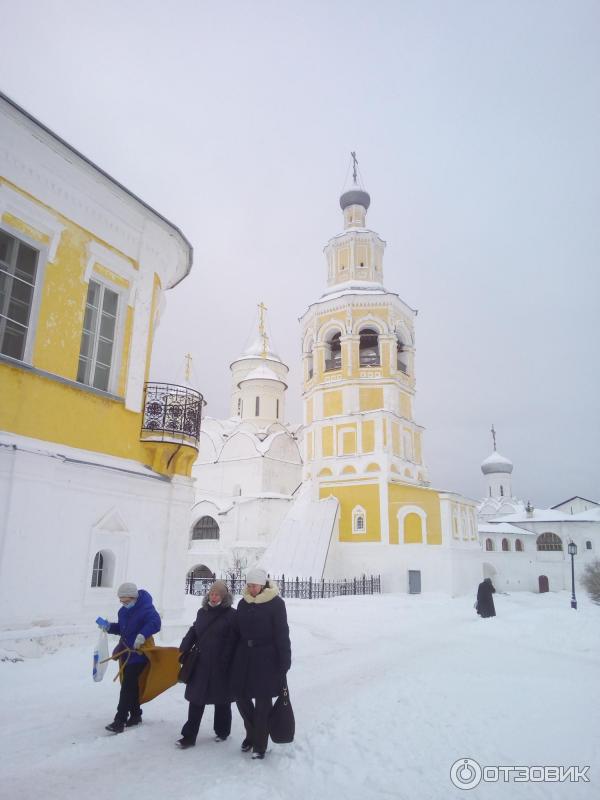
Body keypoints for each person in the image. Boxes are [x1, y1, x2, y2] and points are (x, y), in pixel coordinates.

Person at [226, 567, 291, 760]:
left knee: (263, 702)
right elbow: (236, 632)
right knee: (240, 696)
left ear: (262, 585)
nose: (251, 589)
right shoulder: (243, 603)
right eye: (249, 585)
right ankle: (252, 733)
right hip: (244, 656)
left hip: (266, 658)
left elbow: (282, 633)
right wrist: (229, 655)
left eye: (255, 585)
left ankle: (259, 745)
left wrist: (284, 659)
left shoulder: (276, 604)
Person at [176, 580, 236, 749]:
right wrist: (184, 646)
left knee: (222, 700)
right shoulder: (202, 612)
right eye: (211, 594)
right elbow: (194, 630)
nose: (214, 597)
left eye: (217, 594)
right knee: (196, 699)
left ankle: (222, 731)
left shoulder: (232, 615)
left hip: (221, 664)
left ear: (224, 597)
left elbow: (232, 640)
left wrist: (226, 660)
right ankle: (189, 736)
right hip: (201, 662)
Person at [96, 582, 161, 733]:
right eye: (122, 601)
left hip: (141, 652)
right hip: (126, 652)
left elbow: (155, 623)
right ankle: (136, 715)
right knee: (131, 685)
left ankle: (120, 720)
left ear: (134, 598)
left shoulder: (146, 608)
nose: (124, 604)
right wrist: (109, 627)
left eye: (126, 601)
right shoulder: (123, 611)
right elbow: (122, 629)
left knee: (127, 685)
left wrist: (142, 635)